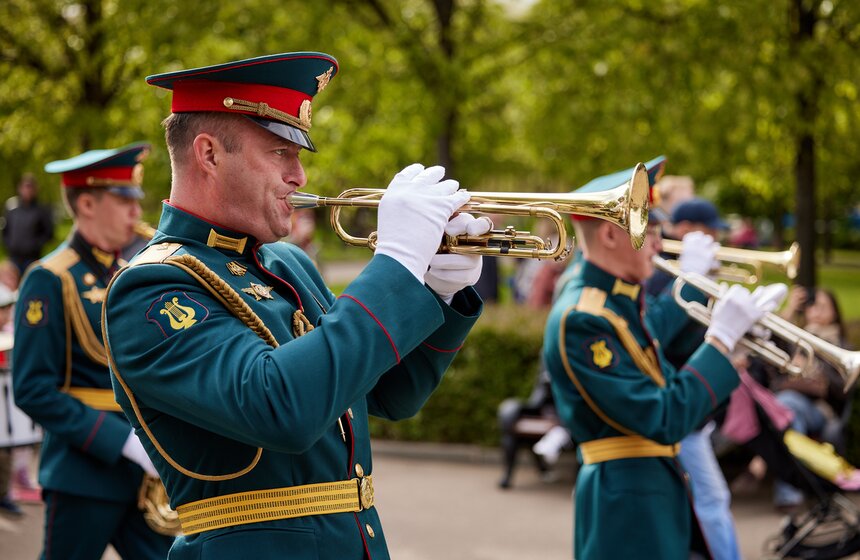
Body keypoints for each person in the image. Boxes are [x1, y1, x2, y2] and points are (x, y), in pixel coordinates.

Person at [101, 52, 488, 560]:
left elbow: (391, 396)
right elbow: (282, 407)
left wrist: (436, 289)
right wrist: (394, 264)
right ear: (210, 154)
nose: (300, 176)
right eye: (280, 153)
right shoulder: (153, 287)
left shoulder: (287, 264)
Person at [543, 162, 786, 559]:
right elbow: (663, 416)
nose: (658, 244)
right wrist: (722, 341)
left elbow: (658, 353)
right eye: (647, 229)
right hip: (627, 508)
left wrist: (727, 329)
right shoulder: (584, 317)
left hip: (648, 492)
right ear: (608, 233)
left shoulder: (614, 300)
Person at [12, 143, 174, 559]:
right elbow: (32, 389)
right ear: (86, 203)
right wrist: (124, 442)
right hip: (83, 474)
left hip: (146, 475)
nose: (136, 213)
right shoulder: (49, 278)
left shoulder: (130, 273)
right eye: (124, 201)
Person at [768, 285, 850, 510]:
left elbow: (843, 389)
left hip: (822, 410)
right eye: (812, 305)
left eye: (823, 306)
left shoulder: (841, 345)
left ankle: (788, 492)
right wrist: (790, 309)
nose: (816, 311)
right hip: (793, 406)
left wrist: (817, 371)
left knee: (785, 407)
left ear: (835, 312)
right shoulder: (797, 337)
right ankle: (795, 492)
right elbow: (768, 347)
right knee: (790, 416)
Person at [2, 173, 55, 275]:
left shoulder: (41, 210)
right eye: (25, 187)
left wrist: (35, 245)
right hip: (13, 258)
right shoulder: (12, 208)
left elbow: (49, 233)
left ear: (35, 190)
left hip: (31, 259)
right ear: (20, 188)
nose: (27, 190)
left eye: (30, 187)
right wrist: (8, 244)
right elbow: (5, 230)